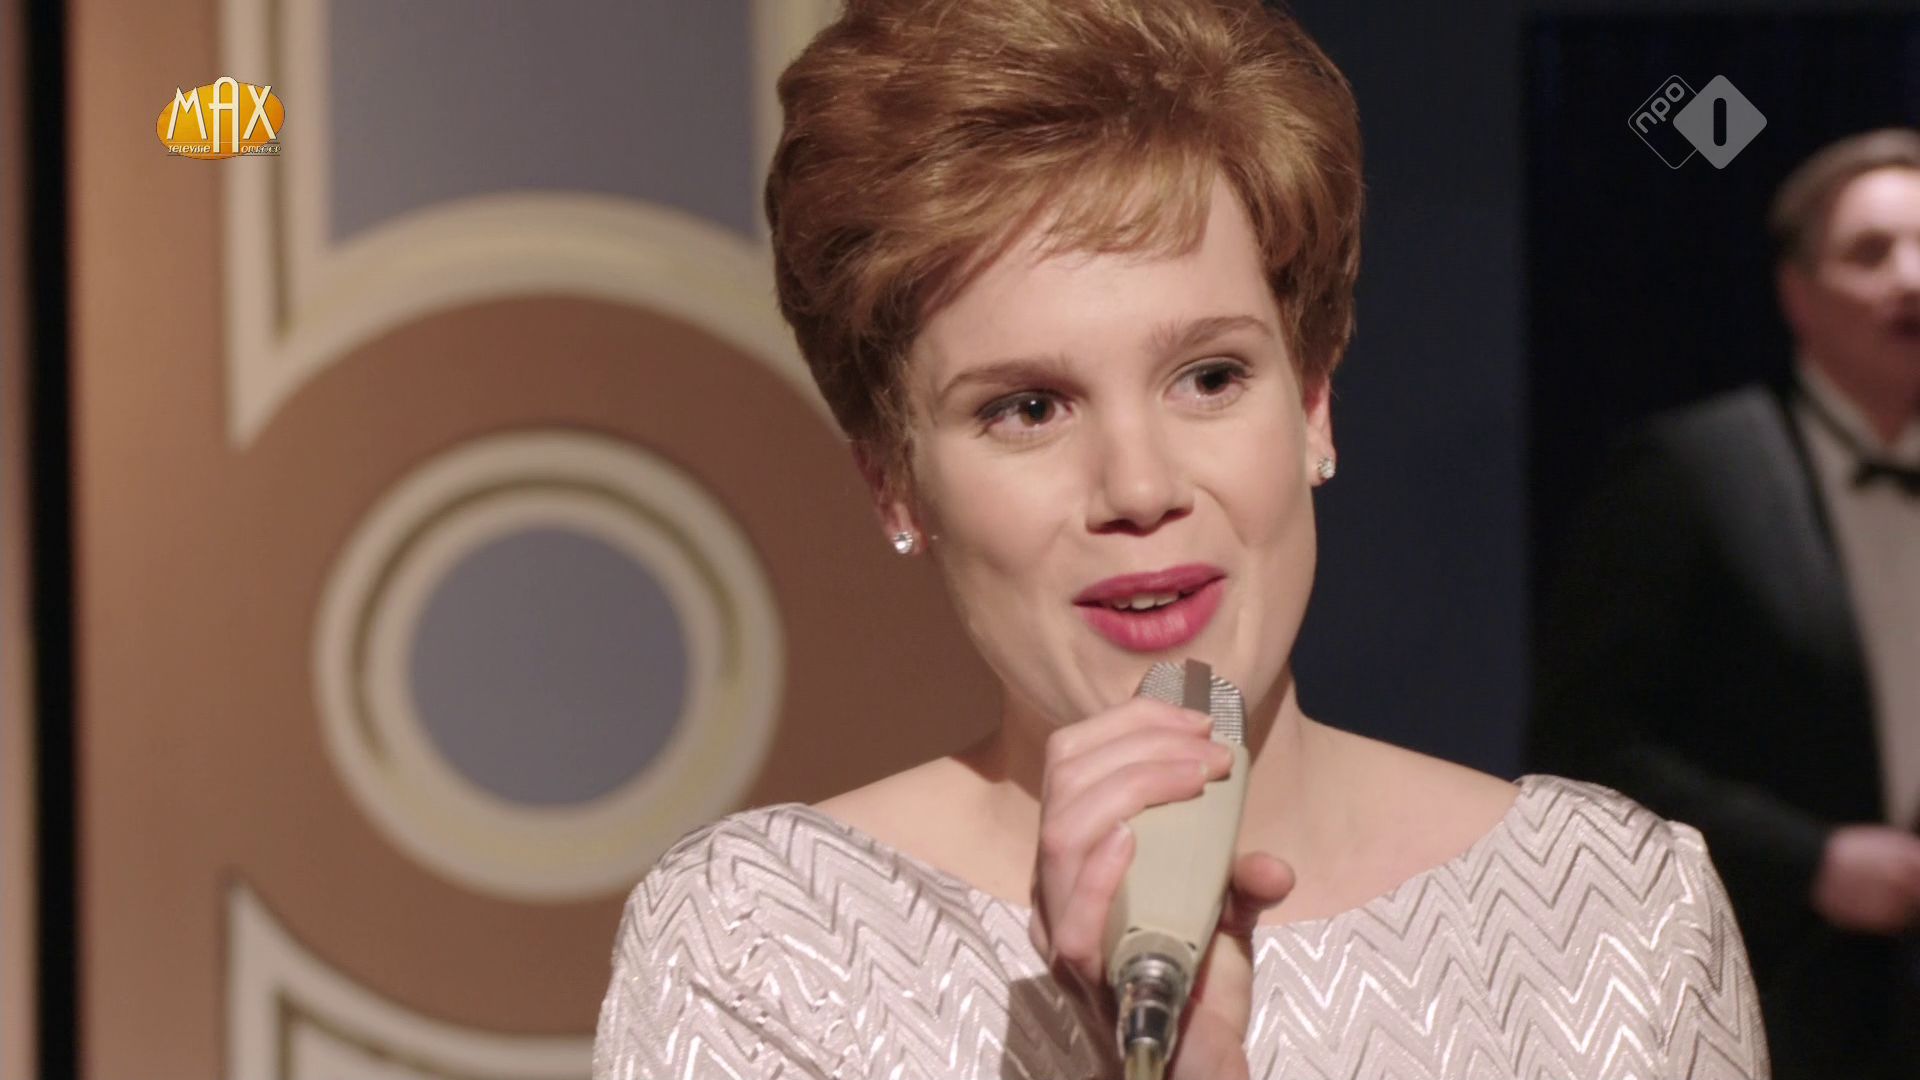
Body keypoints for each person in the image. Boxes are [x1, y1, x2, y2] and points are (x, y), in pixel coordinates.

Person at [594, 2, 1769, 1076]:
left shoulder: (1616, 907)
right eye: (1028, 408)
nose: (1140, 487)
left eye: (1209, 377)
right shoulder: (759, 941)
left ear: (1313, 404)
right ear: (894, 482)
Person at [1528, 128, 1920, 1080]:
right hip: (1777, 992)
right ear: (1798, 293)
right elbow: (1583, 747)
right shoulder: (1694, 471)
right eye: (1871, 252)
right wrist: (1812, 861)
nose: (1911, 279)